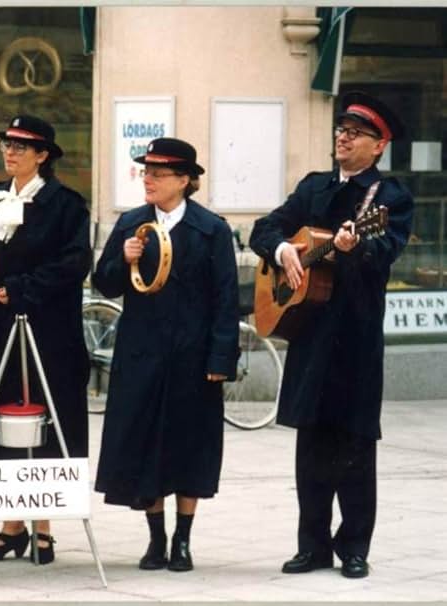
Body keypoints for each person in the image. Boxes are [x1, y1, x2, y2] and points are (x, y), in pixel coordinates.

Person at [249, 92, 414, 579]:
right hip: (310, 333)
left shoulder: (389, 198)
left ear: (379, 145)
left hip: (356, 337)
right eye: (341, 129)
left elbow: (386, 250)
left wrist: (352, 247)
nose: (343, 136)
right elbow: (265, 227)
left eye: (356, 132)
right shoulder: (314, 186)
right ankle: (312, 545)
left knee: (355, 445)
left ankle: (355, 547)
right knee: (311, 446)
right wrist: (284, 252)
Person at [93, 138, 239, 572]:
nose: (148, 179)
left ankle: (183, 540)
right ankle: (155, 540)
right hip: (142, 355)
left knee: (189, 446)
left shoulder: (211, 229)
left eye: (158, 173)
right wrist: (123, 257)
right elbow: (105, 283)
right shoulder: (131, 224)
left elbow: (225, 299)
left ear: (184, 181)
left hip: (192, 358)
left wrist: (220, 360)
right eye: (146, 172)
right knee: (143, 445)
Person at [0, 115, 91, 565]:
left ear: (43, 156)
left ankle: (45, 528)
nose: (10, 151)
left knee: (43, 416)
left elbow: (74, 263)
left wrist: (22, 287)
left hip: (45, 328)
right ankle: (10, 527)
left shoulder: (66, 204)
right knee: (0, 416)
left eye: (21, 146)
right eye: (7, 144)